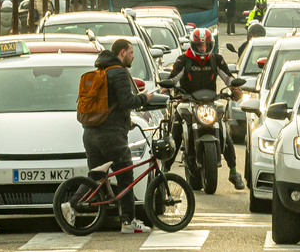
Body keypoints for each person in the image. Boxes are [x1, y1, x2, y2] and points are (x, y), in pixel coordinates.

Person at [83, 38, 153, 234]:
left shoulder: (101, 70)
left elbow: (110, 104)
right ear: (122, 53)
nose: (132, 56)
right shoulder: (119, 72)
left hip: (91, 132)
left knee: (96, 176)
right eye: (131, 53)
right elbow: (127, 101)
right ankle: (129, 221)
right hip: (111, 136)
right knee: (126, 176)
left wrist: (125, 122)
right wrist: (144, 98)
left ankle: (70, 205)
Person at [163, 27, 246, 189]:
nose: (202, 49)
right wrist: (165, 89)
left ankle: (234, 172)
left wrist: (236, 90)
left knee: (224, 132)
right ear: (192, 45)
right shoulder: (183, 60)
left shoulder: (216, 59)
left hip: (210, 102)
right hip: (187, 102)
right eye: (199, 46)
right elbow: (173, 78)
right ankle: (164, 173)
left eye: (206, 46)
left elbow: (228, 77)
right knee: (176, 133)